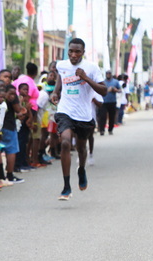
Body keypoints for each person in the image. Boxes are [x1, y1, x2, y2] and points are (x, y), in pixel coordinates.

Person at [51, 38, 106, 201]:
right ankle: (66, 186)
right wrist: (56, 92)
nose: (73, 55)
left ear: (83, 52)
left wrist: (86, 78)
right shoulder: (62, 65)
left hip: (84, 115)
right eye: (71, 51)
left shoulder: (92, 67)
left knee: (82, 149)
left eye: (77, 52)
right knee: (66, 143)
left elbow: (104, 90)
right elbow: (61, 77)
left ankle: (81, 169)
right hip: (65, 110)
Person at [98, 71, 120, 135]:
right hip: (104, 101)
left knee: (112, 116)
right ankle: (102, 130)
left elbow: (120, 90)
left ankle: (110, 129)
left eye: (109, 73)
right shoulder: (103, 82)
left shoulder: (115, 82)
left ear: (111, 74)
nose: (108, 75)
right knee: (103, 116)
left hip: (112, 101)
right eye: (107, 74)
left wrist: (115, 90)